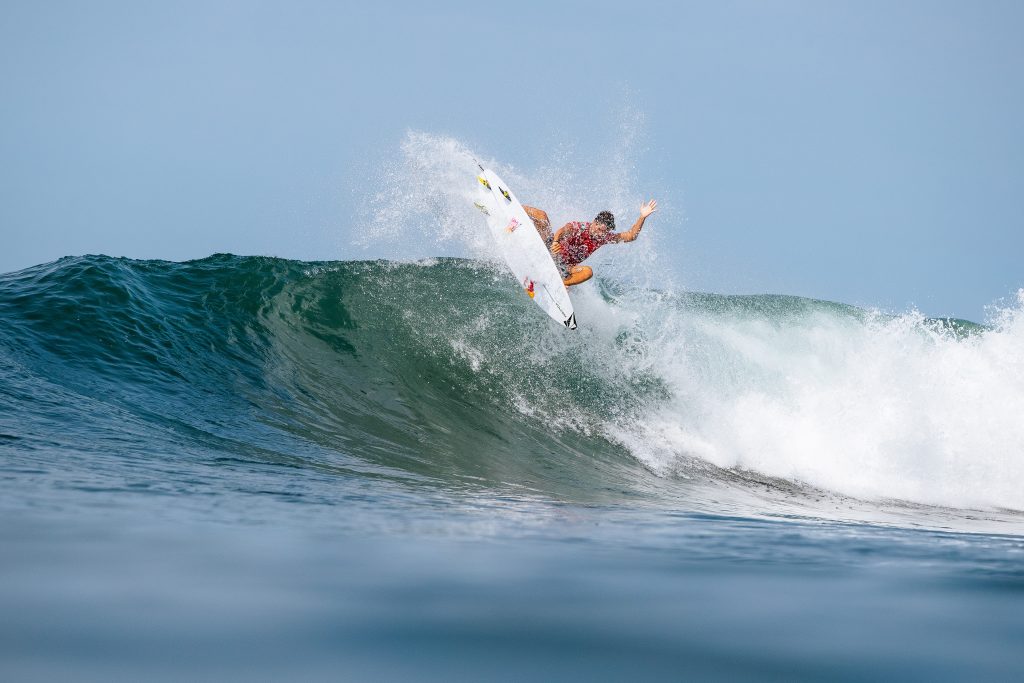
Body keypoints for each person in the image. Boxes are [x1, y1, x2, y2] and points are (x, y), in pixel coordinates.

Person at [521, 200, 658, 286]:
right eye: (600, 230)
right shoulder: (581, 228)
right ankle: (512, 208)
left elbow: (630, 236)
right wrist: (555, 242)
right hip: (550, 249)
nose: (601, 234)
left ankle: (561, 284)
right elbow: (564, 229)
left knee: (588, 272)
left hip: (564, 267)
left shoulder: (603, 238)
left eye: (605, 232)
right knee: (542, 216)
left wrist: (642, 217)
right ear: (595, 223)